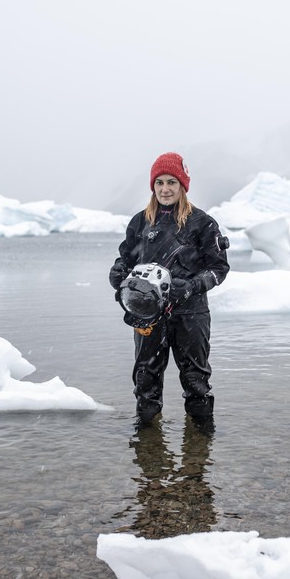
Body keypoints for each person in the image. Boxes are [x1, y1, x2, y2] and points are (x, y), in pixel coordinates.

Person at [109, 152, 229, 424]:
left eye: (172, 182)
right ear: (153, 185)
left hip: (191, 314)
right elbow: (125, 259)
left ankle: (199, 453)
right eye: (160, 182)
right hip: (147, 314)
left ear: (183, 185)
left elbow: (219, 269)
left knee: (195, 380)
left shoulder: (202, 223)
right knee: (145, 380)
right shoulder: (140, 222)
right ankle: (149, 451)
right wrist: (118, 273)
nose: (165, 189)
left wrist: (189, 287)